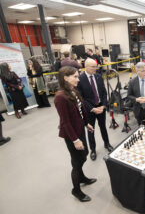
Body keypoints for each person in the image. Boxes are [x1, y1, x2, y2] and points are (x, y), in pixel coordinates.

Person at [54, 66, 96, 202]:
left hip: (79, 130)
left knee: (83, 156)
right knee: (77, 162)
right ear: (65, 78)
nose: (78, 79)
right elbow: (65, 122)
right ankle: (76, 190)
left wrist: (86, 123)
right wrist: (75, 140)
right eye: (75, 77)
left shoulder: (73, 91)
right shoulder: (60, 97)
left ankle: (82, 178)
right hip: (71, 135)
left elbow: (81, 109)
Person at [77, 58, 113, 160]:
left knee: (103, 127)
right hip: (89, 111)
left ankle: (107, 143)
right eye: (93, 67)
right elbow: (81, 98)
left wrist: (104, 105)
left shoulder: (98, 76)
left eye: (96, 66)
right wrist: (92, 109)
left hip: (101, 108)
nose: (96, 69)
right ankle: (93, 150)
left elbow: (104, 93)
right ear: (86, 67)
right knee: (91, 130)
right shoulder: (80, 80)